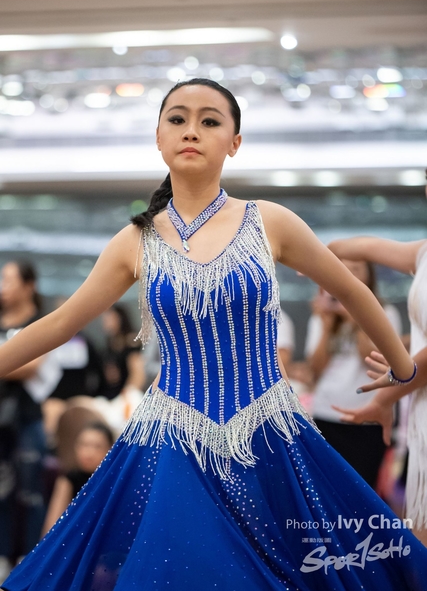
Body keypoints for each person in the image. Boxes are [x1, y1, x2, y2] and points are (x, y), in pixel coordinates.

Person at [1, 79, 427, 591]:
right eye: (177, 119)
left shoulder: (269, 221)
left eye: (209, 121)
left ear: (234, 142)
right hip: (173, 436)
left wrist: (404, 369)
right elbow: (59, 324)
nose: (191, 131)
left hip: (268, 431)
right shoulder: (135, 241)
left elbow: (354, 291)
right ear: (158, 137)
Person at [327, 230, 427, 546]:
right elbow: (361, 245)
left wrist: (393, 386)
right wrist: (315, 257)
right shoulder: (422, 253)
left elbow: (414, 364)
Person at [305, 261, 401, 489]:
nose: (348, 274)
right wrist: (327, 325)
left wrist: (356, 316)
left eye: (356, 269)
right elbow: (315, 369)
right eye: (343, 267)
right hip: (326, 413)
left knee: (362, 489)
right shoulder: (323, 316)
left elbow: (378, 361)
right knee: (327, 490)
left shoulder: (385, 313)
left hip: (368, 416)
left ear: (370, 276)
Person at [0, 261, 62, 582]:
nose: (3, 286)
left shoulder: (39, 322)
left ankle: (29, 559)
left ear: (29, 286)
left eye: (9, 280)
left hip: (25, 418)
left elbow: (31, 366)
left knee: (30, 493)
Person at [41, 421, 114, 536]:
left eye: (97, 446)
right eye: (84, 445)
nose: (89, 453)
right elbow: (51, 526)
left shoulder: (114, 481)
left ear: (110, 449)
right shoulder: (68, 479)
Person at [101, 304, 144, 400]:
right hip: (111, 393)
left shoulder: (131, 343)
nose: (105, 322)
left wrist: (126, 396)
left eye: (109, 318)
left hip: (126, 394)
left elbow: (138, 373)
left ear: (120, 319)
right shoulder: (109, 345)